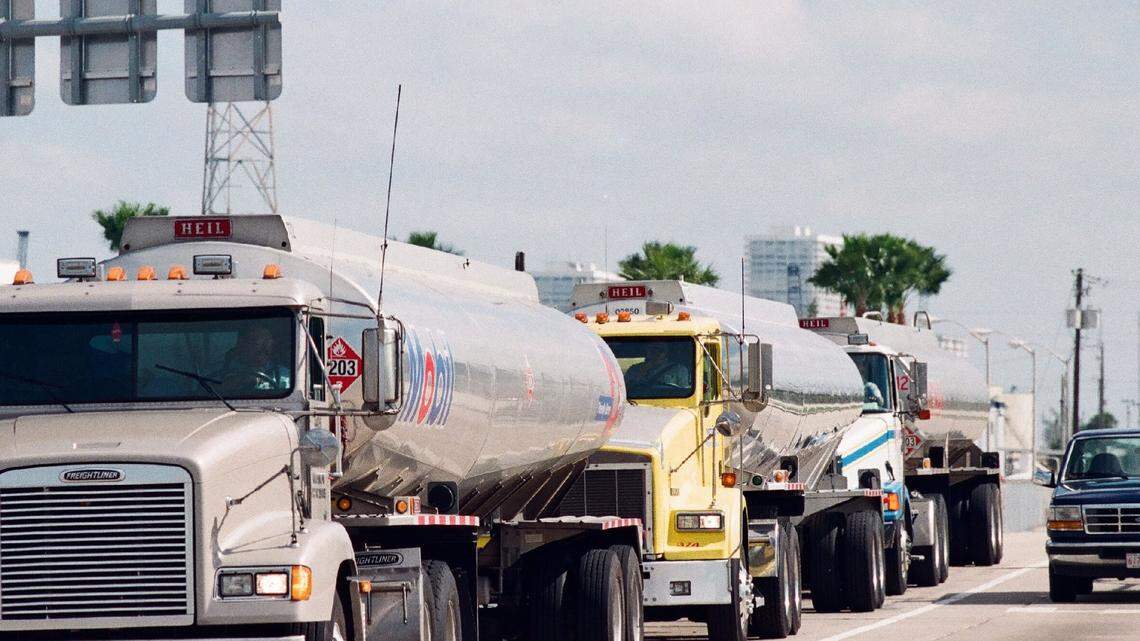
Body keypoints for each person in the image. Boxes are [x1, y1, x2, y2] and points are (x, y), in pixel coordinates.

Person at [220, 325, 289, 394]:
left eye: (267, 342)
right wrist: (241, 379)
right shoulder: (221, 369)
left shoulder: (283, 373)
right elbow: (212, 389)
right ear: (242, 343)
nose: (263, 348)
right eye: (256, 342)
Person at [625, 342, 691, 391]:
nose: (655, 352)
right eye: (651, 349)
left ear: (666, 352)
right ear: (646, 350)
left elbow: (684, 390)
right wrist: (643, 371)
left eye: (660, 350)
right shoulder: (634, 369)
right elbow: (625, 389)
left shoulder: (679, 369)